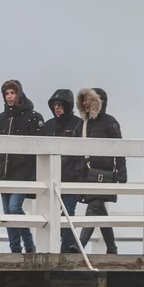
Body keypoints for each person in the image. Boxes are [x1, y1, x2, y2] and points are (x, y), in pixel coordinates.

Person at [0, 79, 44, 253]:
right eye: (7, 93)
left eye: (12, 92)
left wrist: (35, 174)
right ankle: (15, 249)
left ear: (19, 93)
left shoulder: (33, 117)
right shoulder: (1, 119)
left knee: (14, 208)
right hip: (2, 172)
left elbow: (40, 147)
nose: (9, 96)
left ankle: (28, 244)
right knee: (8, 212)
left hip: (22, 172)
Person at [76, 87, 126, 254]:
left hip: (104, 174)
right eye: (83, 100)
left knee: (93, 207)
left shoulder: (110, 122)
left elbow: (120, 150)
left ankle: (79, 246)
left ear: (98, 102)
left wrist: (121, 173)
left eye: (88, 99)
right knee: (99, 210)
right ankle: (112, 248)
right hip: (89, 174)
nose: (85, 103)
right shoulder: (84, 124)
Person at [42, 89, 84, 252]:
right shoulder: (48, 125)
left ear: (67, 106)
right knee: (50, 214)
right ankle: (69, 245)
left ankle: (66, 248)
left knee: (67, 212)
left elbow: (80, 150)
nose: (57, 108)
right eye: (54, 105)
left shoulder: (77, 123)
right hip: (51, 177)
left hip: (71, 176)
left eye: (60, 105)